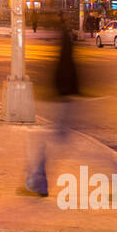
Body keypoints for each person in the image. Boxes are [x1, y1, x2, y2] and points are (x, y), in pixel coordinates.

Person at [25, 16, 82, 195]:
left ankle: (38, 183)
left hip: (64, 101)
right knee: (50, 142)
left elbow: (64, 72)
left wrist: (55, 93)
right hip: (67, 99)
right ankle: (37, 182)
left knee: (45, 142)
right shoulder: (66, 44)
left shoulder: (63, 46)